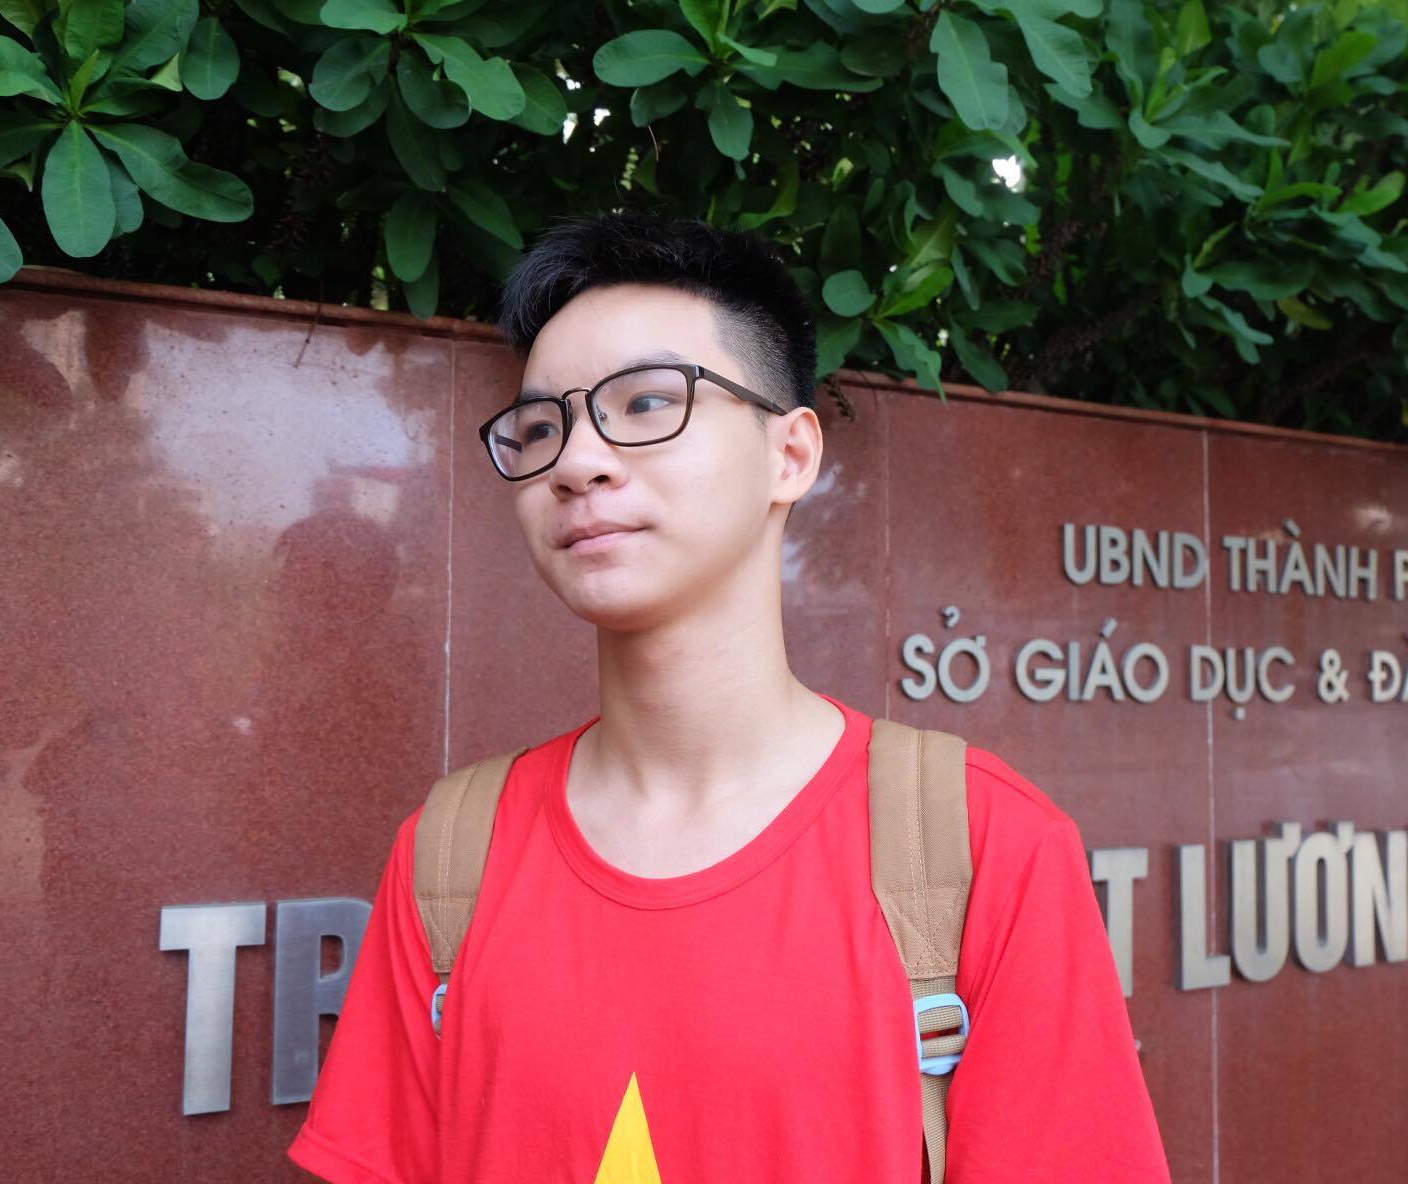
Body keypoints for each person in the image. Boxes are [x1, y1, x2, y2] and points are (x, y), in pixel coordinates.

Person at [286, 212, 1170, 1182]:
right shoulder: (454, 852)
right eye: (542, 428)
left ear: (790, 455)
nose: (577, 463)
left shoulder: (986, 848)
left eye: (646, 402)